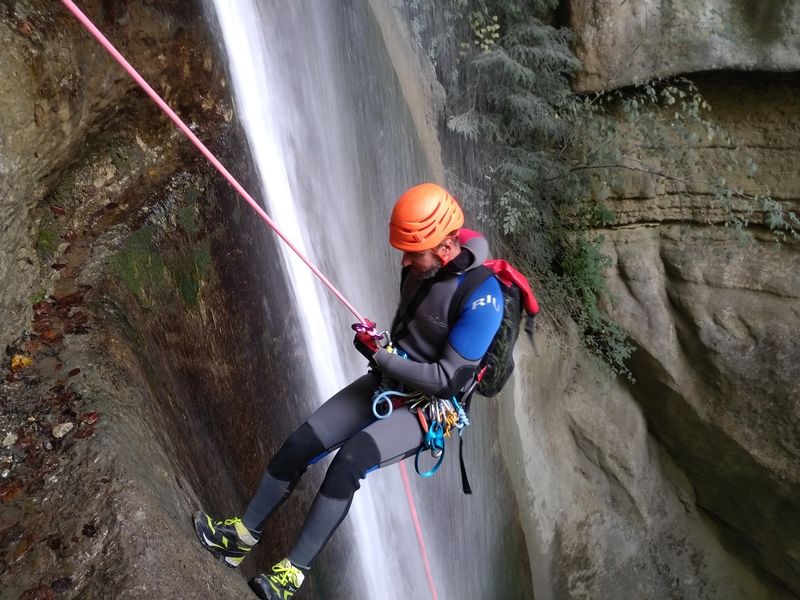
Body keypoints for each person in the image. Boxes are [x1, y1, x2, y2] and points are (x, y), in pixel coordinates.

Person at [193, 182, 504, 600]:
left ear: (445, 250)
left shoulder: (484, 298)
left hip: (426, 409)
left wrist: (383, 358)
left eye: (414, 253)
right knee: (301, 443)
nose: (405, 260)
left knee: (349, 461)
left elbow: (448, 378)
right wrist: (380, 348)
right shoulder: (422, 263)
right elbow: (410, 332)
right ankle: (240, 539)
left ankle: (289, 577)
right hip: (387, 380)